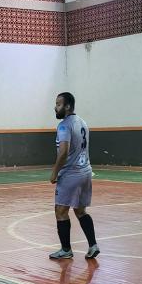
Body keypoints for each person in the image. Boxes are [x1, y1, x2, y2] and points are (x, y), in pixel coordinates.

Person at [49, 92, 99, 260]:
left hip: (71, 174)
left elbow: (63, 152)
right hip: (86, 172)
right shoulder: (83, 123)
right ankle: (93, 245)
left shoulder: (64, 126)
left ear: (67, 106)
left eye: (58, 104)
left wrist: (55, 172)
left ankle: (65, 250)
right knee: (80, 211)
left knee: (60, 211)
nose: (55, 107)